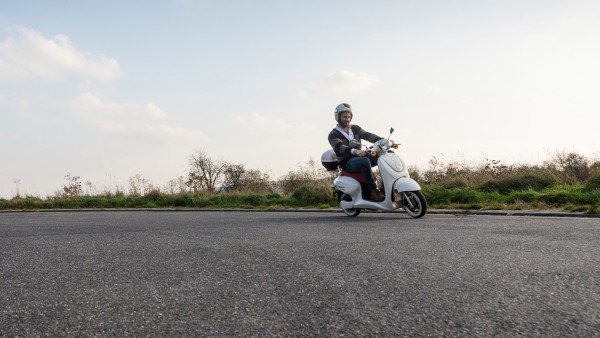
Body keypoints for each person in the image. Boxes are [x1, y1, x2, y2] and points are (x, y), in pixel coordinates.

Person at [328, 103, 386, 201]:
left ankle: (386, 188)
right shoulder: (333, 134)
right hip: (347, 161)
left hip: (360, 156)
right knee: (365, 161)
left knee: (383, 156)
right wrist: (355, 151)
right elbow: (340, 147)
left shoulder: (355, 129)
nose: (347, 119)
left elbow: (369, 136)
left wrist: (384, 141)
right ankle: (374, 191)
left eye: (349, 116)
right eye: (344, 117)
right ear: (338, 117)